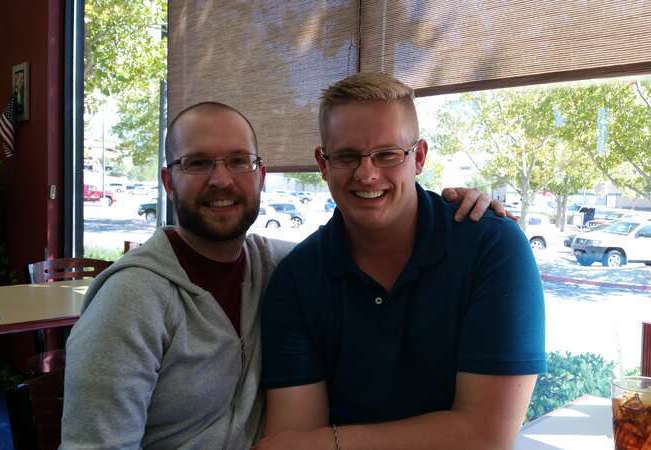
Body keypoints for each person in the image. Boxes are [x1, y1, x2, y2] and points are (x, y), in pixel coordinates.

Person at [61, 101, 509, 449]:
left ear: (261, 175)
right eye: (197, 163)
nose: (221, 180)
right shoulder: (130, 301)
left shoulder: (278, 267)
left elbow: (363, 242)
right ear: (167, 180)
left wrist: (461, 209)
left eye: (239, 162)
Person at [258, 73, 546, 450]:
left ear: (419, 157)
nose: (367, 173)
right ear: (323, 163)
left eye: (387, 154)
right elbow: (292, 443)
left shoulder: (492, 247)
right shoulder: (296, 280)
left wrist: (331, 442)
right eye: (346, 156)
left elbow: (486, 436)